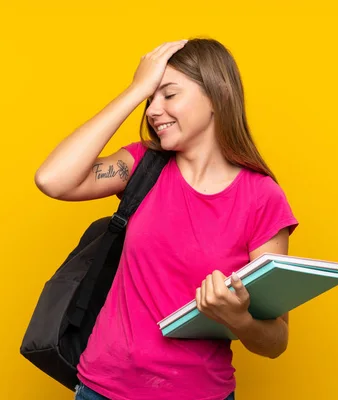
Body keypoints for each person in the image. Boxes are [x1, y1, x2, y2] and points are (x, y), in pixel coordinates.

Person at [34, 38, 299, 400]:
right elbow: (52, 179)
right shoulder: (142, 166)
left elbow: (276, 342)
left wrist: (240, 320)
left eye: (169, 95)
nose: (152, 111)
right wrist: (135, 89)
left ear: (217, 93)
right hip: (102, 390)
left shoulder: (261, 198)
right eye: (149, 100)